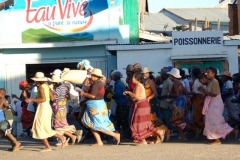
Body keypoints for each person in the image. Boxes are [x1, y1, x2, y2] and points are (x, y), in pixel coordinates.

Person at [25, 72, 67, 152]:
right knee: (45, 127)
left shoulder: (41, 87)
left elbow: (43, 99)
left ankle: (48, 146)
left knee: (40, 127)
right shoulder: (47, 86)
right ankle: (61, 138)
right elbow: (52, 97)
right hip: (47, 107)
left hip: (43, 107)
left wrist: (31, 99)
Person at [80, 68, 120, 146]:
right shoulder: (98, 83)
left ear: (95, 76)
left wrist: (84, 94)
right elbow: (85, 85)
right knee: (92, 123)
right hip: (97, 105)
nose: (91, 77)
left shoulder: (97, 84)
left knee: (97, 124)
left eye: (92, 75)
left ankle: (115, 135)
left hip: (96, 106)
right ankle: (99, 141)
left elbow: (93, 95)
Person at [123, 72, 163, 145]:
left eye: (133, 78)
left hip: (142, 105)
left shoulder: (139, 85)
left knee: (139, 122)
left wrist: (129, 92)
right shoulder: (138, 85)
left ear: (136, 79)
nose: (132, 79)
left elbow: (136, 96)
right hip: (141, 105)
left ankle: (156, 133)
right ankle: (143, 139)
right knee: (142, 122)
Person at [198, 67, 233, 145]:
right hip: (212, 103)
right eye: (207, 72)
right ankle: (220, 135)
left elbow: (215, 94)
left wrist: (203, 91)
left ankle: (217, 139)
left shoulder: (214, 81)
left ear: (213, 73)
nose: (207, 74)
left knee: (214, 121)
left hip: (215, 104)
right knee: (212, 121)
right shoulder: (211, 82)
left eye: (209, 72)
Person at [49, 75, 81, 145]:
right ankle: (68, 138)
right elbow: (68, 97)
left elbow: (53, 98)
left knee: (58, 125)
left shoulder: (58, 89)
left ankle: (72, 135)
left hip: (58, 109)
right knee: (62, 124)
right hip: (63, 107)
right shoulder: (64, 87)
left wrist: (50, 92)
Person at [111, 70, 128, 137]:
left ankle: (124, 133)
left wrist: (111, 94)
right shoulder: (119, 83)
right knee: (120, 119)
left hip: (121, 104)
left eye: (113, 76)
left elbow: (117, 94)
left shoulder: (118, 85)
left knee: (121, 119)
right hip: (121, 103)